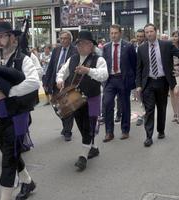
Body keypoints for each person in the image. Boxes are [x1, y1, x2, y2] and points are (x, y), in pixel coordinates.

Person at [0, 21, 39, 200]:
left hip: (18, 115)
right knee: (8, 152)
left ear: (12, 38)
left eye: (2, 36)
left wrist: (8, 93)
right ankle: (27, 181)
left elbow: (34, 82)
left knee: (8, 157)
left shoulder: (24, 59)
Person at [56, 30, 108, 171]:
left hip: (92, 97)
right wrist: (60, 80)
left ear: (91, 45)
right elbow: (62, 72)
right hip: (75, 99)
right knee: (80, 124)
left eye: (84, 44)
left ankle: (83, 156)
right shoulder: (72, 59)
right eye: (78, 44)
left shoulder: (99, 59)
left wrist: (88, 71)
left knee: (89, 125)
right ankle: (94, 147)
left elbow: (104, 75)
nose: (80, 46)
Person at [136, 23, 179, 147]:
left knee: (162, 108)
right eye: (147, 32)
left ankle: (161, 130)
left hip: (163, 82)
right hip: (149, 82)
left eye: (151, 31)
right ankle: (148, 136)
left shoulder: (166, 45)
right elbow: (139, 69)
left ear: (156, 32)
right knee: (149, 109)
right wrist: (139, 85)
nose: (149, 34)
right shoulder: (141, 48)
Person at [102, 24, 137, 143]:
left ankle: (125, 130)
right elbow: (104, 64)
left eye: (115, 33)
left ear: (120, 33)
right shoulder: (106, 47)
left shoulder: (128, 46)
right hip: (110, 80)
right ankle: (109, 132)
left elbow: (134, 64)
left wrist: (133, 81)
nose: (113, 35)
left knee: (125, 105)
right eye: (111, 33)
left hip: (123, 79)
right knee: (107, 104)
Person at [44, 30, 77, 141]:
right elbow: (51, 67)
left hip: (68, 83)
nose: (63, 40)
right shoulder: (56, 50)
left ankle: (68, 131)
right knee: (57, 107)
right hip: (55, 83)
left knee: (67, 107)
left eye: (65, 38)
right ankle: (65, 125)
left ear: (70, 39)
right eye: (61, 38)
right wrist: (46, 82)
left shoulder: (74, 51)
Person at [170, 31, 179, 124]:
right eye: (173, 36)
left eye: (176, 36)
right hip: (171, 72)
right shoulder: (169, 46)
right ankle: (175, 114)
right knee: (172, 93)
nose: (174, 38)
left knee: (177, 92)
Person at [134, 29, 146, 126]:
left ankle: (144, 114)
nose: (139, 38)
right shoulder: (133, 47)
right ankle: (143, 112)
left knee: (144, 95)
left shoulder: (146, 47)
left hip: (144, 76)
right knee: (138, 95)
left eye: (141, 36)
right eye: (138, 36)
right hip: (135, 75)